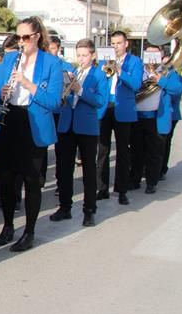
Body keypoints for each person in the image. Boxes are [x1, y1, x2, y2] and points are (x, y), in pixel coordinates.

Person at [0, 16, 63, 252]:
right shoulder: (10, 59)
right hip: (9, 119)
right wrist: (1, 93)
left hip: (33, 124)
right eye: (18, 37)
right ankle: (8, 225)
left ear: (37, 36)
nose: (21, 42)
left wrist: (28, 84)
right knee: (6, 178)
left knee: (31, 180)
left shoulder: (51, 63)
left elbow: (54, 102)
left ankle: (29, 231)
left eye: (25, 37)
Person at [50, 39, 108, 227]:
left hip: (87, 127)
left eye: (84, 55)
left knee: (89, 170)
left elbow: (100, 101)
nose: (81, 59)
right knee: (64, 168)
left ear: (93, 56)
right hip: (67, 125)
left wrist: (80, 90)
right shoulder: (73, 72)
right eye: (79, 55)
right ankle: (64, 207)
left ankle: (89, 210)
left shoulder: (99, 75)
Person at [95, 31, 144, 205]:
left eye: (119, 43)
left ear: (126, 44)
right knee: (102, 150)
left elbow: (136, 84)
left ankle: (122, 190)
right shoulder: (104, 61)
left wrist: (120, 71)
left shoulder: (135, 61)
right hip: (105, 107)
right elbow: (97, 81)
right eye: (113, 43)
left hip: (123, 108)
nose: (115, 46)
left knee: (123, 151)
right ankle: (101, 188)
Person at [129, 45, 182, 194]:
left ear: (161, 55)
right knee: (136, 151)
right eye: (148, 53)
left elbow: (178, 89)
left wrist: (161, 80)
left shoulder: (167, 72)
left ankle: (151, 182)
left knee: (154, 152)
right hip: (137, 117)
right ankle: (134, 180)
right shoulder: (139, 70)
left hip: (156, 118)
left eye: (155, 53)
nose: (151, 56)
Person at [0, 34, 22, 212]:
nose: (10, 58)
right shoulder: (1, 68)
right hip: (3, 115)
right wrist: (0, 94)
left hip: (17, 115)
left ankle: (12, 197)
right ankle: (7, 197)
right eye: (8, 54)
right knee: (5, 161)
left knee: (12, 160)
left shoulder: (25, 66)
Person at [46, 34, 72, 189]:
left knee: (61, 150)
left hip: (61, 111)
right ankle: (40, 180)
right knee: (41, 147)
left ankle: (60, 182)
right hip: (47, 111)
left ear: (59, 49)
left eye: (53, 49)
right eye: (47, 49)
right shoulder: (43, 65)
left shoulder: (67, 66)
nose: (50, 52)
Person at [160, 53, 182, 180]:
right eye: (164, 62)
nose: (166, 65)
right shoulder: (158, 73)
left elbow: (176, 90)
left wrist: (161, 80)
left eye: (168, 63)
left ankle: (162, 169)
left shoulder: (177, 77)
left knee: (165, 143)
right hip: (158, 113)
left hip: (172, 115)